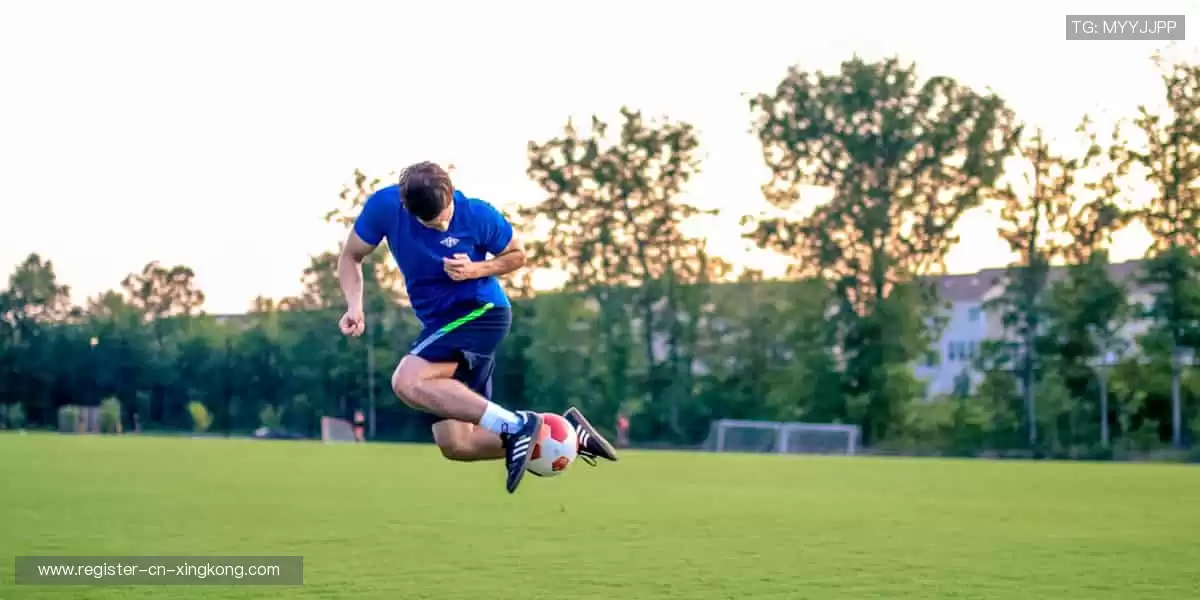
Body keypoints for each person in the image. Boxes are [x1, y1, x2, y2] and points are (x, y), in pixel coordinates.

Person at [337, 161, 618, 494]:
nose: (442, 226)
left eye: (445, 216)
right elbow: (351, 256)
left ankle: (518, 425)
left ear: (452, 192)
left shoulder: (478, 215)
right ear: (404, 206)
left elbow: (517, 254)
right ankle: (569, 435)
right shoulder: (383, 207)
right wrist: (354, 305)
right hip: (440, 323)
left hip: (481, 312)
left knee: (407, 382)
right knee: (458, 444)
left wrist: (476, 269)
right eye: (431, 223)